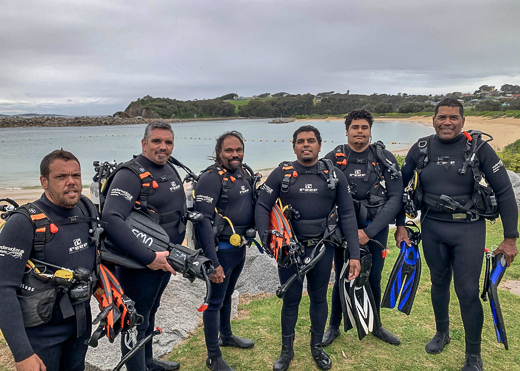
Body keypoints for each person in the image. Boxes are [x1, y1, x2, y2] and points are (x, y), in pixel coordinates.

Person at [395, 98, 518, 371]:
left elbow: (505, 192)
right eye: (442, 117)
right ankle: (442, 333)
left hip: (469, 229)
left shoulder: (480, 149)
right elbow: (398, 189)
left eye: (453, 117)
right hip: (433, 227)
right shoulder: (422, 148)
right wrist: (400, 224)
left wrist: (510, 238)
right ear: (433, 120)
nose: (447, 122)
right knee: (439, 285)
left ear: (463, 121)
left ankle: (473, 355)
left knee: (467, 292)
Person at [255, 125, 361, 371]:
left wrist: (354, 254)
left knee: (318, 298)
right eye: (300, 141)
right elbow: (262, 205)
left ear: (319, 145)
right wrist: (267, 239)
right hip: (290, 249)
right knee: (291, 300)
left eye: (311, 141)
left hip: (322, 248)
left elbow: (347, 214)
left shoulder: (333, 175)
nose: (306, 145)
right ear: (294, 146)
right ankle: (286, 351)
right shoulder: (282, 173)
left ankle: (316, 348)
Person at [0, 149, 100, 371]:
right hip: (41, 333)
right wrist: (22, 353)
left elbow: (96, 257)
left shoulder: (86, 208)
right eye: (61, 177)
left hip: (80, 324)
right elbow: (3, 288)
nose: (71, 182)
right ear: (44, 182)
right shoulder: (23, 223)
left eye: (76, 175)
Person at [102, 122, 183, 371]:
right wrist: (148, 257)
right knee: (135, 320)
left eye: (168, 142)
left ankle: (147, 361)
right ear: (144, 143)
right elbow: (110, 218)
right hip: (139, 262)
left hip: (164, 258)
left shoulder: (169, 168)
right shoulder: (130, 174)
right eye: (157, 141)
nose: (163, 147)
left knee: (150, 311)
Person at [322, 108, 403, 346]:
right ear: (346, 131)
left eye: (364, 127)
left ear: (370, 131)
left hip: (375, 227)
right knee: (341, 276)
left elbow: (396, 198)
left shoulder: (384, 158)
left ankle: (375, 324)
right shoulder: (333, 158)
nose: (360, 132)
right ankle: (334, 326)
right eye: (355, 127)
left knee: (374, 277)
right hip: (341, 230)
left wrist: (368, 232)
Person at [194, 131, 256, 371]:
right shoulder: (210, 178)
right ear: (219, 152)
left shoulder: (242, 173)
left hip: (238, 249)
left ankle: (226, 335)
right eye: (229, 150)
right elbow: (203, 221)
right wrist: (212, 262)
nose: (235, 154)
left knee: (228, 295)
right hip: (220, 250)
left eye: (238, 149)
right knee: (214, 301)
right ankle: (213, 356)